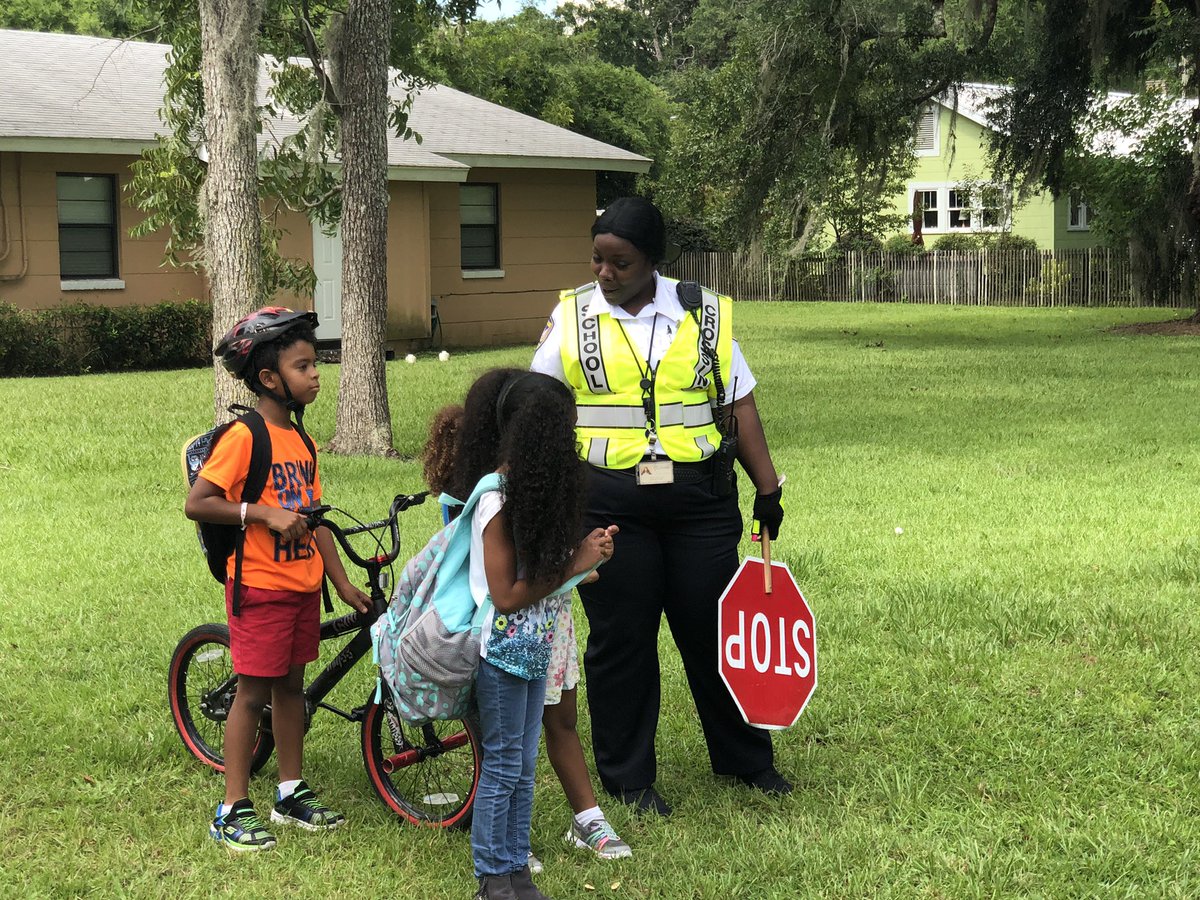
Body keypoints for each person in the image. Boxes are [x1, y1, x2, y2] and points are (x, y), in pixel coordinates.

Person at [531, 197, 790, 817]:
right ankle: (629, 778)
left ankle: (746, 759)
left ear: (653, 261)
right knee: (623, 638)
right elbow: (537, 405)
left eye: (619, 262)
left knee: (713, 631)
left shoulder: (703, 311)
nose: (604, 273)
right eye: (597, 259)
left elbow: (739, 405)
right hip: (608, 503)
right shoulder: (572, 317)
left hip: (700, 499)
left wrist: (768, 488)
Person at [185, 306, 371, 851]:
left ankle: (290, 790)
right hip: (260, 588)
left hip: (301, 589)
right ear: (270, 378)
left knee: (291, 689)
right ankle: (231, 806)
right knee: (251, 694)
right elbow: (199, 503)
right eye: (304, 365)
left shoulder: (304, 443)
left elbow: (314, 523)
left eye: (316, 364)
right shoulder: (246, 437)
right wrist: (260, 514)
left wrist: (340, 583)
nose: (316, 375)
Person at [422, 404, 632, 871]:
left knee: (554, 727)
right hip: (503, 638)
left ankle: (575, 823)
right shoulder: (488, 500)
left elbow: (551, 563)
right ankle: (502, 856)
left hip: (549, 629)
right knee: (504, 753)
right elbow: (506, 589)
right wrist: (573, 565)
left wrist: (583, 560)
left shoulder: (536, 492)